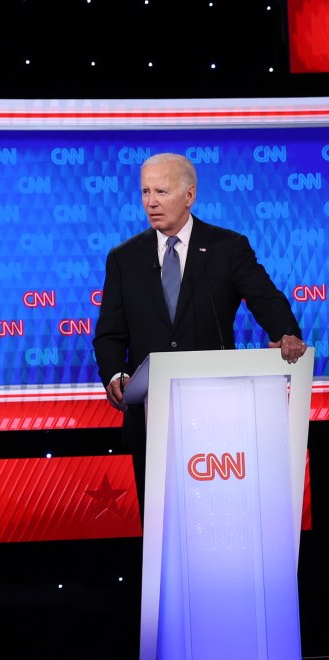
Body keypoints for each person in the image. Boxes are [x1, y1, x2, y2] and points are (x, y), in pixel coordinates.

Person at [92, 152, 306, 515]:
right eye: (145, 192)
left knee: (220, 518)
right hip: (151, 419)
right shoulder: (123, 258)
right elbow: (109, 334)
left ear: (189, 195)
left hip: (217, 416)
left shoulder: (227, 248)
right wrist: (115, 373)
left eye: (161, 191)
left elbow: (266, 299)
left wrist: (286, 332)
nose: (150, 202)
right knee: (161, 525)